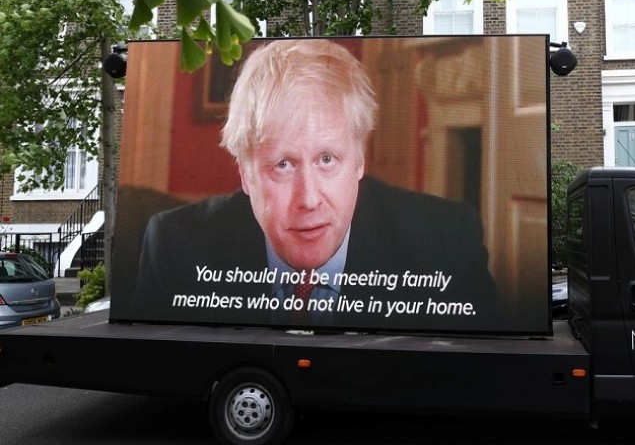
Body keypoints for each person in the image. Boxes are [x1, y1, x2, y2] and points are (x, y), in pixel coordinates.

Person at [131, 39, 498, 332]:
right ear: (245, 173)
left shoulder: (446, 242)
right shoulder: (175, 247)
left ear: (359, 160)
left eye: (327, 159)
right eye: (283, 165)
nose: (308, 199)